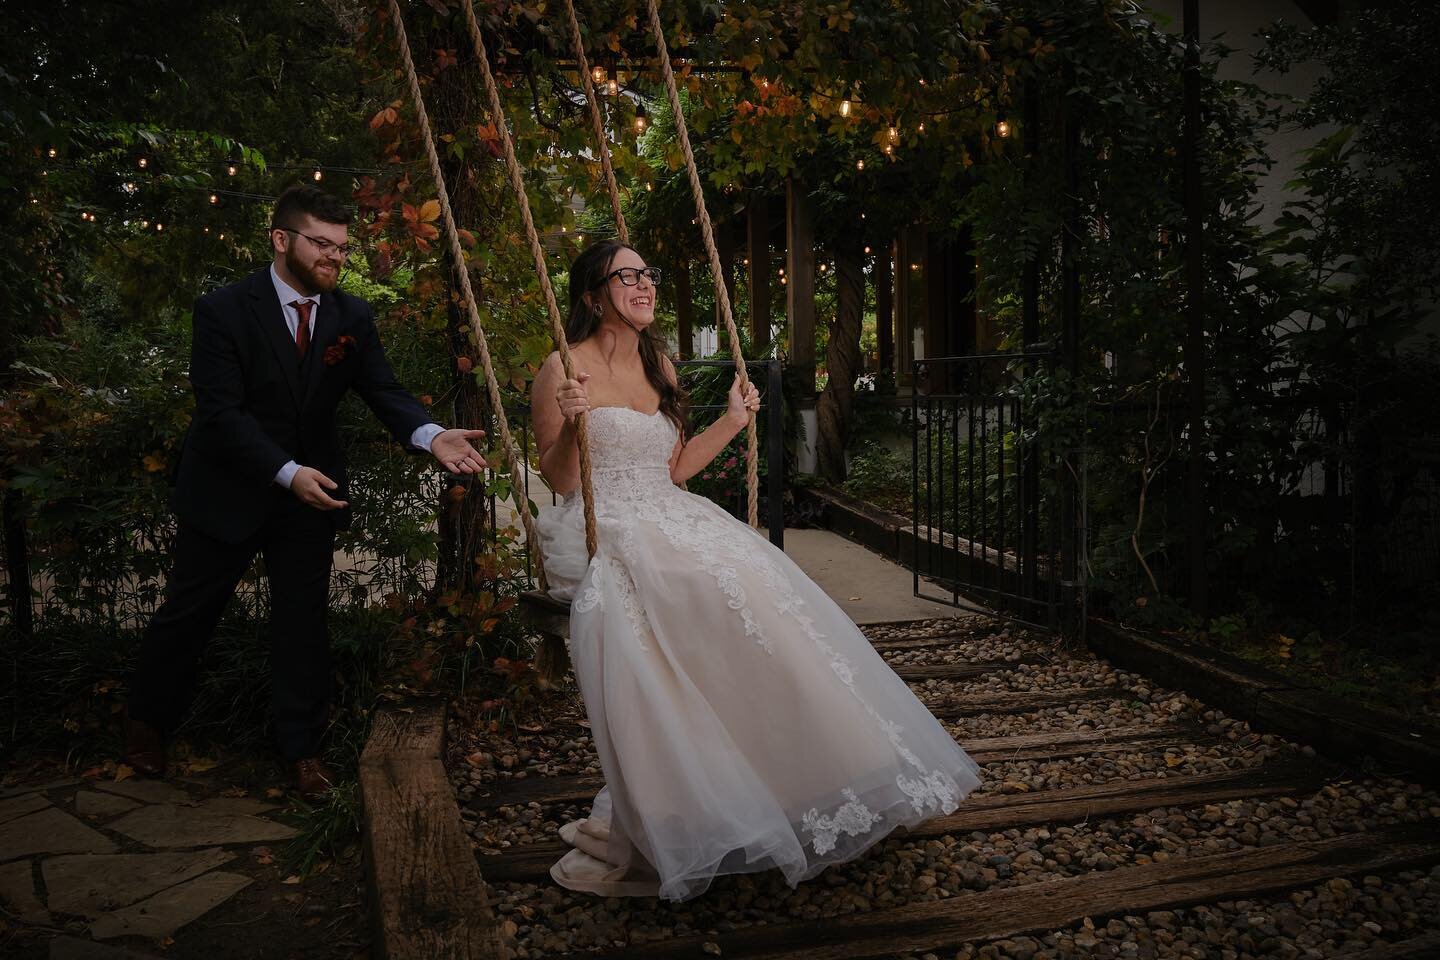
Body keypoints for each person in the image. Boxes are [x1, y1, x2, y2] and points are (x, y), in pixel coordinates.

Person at [531, 240, 982, 902]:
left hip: (670, 510)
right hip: (609, 523)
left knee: (756, 587)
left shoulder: (659, 363)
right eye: (624, 276)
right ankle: (680, 803)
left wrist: (735, 421)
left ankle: (799, 777)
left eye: (646, 274)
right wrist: (573, 423)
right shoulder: (563, 370)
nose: (643, 285)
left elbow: (676, 467)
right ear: (592, 295)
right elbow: (562, 479)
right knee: (690, 593)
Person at [123, 185, 487, 796]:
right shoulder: (223, 309)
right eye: (321, 243)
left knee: (302, 622)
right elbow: (221, 413)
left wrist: (429, 436)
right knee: (190, 612)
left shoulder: (351, 315)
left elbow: (383, 390)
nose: (333, 258)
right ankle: (146, 725)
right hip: (227, 489)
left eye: (341, 248)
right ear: (281, 239)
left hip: (312, 497)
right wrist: (287, 472)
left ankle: (301, 749)